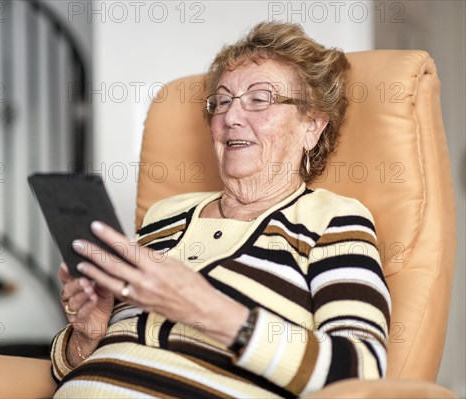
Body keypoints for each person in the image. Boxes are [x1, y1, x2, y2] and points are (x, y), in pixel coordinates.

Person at [51, 21, 390, 398]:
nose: (231, 117)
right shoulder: (164, 215)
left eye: (259, 99)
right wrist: (88, 333)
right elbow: (68, 367)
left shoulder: (332, 219)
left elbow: (362, 372)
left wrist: (206, 308)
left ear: (311, 126)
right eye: (223, 101)